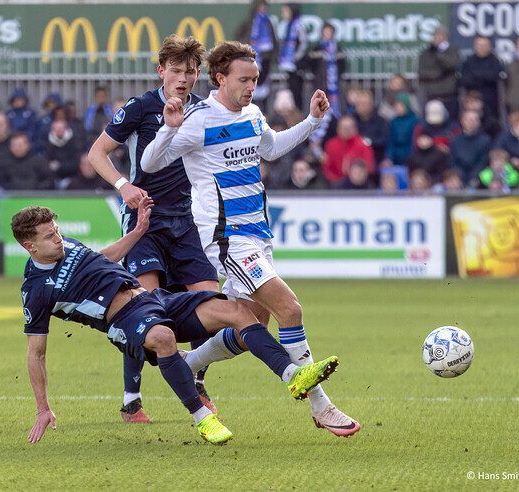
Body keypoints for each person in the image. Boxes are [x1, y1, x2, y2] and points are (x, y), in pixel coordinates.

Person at [140, 41, 360, 437]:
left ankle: (186, 365)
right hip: (226, 238)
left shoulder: (253, 113)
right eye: (244, 79)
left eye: (255, 79)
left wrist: (311, 120)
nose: (251, 87)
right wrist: (168, 130)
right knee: (289, 309)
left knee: (250, 325)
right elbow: (149, 163)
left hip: (257, 233)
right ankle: (322, 406)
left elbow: (272, 150)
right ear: (220, 78)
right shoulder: (198, 119)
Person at [13, 203, 340, 445]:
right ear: (30, 247)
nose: (58, 238)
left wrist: (138, 232)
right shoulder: (36, 292)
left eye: (56, 230)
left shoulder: (65, 244)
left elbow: (101, 257)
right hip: (123, 320)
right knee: (163, 337)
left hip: (153, 298)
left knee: (237, 312)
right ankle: (203, 417)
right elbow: (36, 353)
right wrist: (43, 408)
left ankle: (293, 376)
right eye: (49, 236)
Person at [88, 35, 220, 423]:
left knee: (211, 304)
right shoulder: (140, 108)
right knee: (144, 311)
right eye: (175, 71)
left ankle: (195, 377)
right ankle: (132, 398)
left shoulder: (203, 111)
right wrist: (123, 186)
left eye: (190, 71)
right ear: (161, 71)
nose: (183, 78)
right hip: (145, 221)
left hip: (187, 221)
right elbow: (96, 153)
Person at [236, 0, 277, 106]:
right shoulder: (250, 21)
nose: (263, 8)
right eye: (261, 6)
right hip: (251, 58)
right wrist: (246, 45)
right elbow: (238, 36)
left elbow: (273, 40)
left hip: (265, 58)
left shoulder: (268, 22)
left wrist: (273, 55)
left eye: (265, 6)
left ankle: (264, 110)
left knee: (263, 85)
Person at [417, 25, 460, 119]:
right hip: (431, 96)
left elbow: (452, 64)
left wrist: (439, 54)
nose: (438, 38)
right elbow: (421, 72)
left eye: (441, 35)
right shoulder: (425, 53)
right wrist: (438, 74)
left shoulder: (453, 51)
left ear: (446, 37)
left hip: (448, 95)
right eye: (436, 35)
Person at [459, 36, 504, 122]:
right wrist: (483, 76)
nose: (482, 47)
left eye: (484, 45)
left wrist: (475, 74)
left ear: (490, 47)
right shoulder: (468, 61)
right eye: (479, 45)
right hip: (471, 103)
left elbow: (493, 76)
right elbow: (464, 80)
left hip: (491, 104)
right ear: (474, 46)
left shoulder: (495, 61)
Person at [322, 114, 375, 185]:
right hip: (337, 184)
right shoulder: (331, 145)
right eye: (344, 128)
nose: (346, 130)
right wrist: (336, 180)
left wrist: (358, 175)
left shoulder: (363, 144)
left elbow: (369, 166)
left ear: (355, 129)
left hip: (359, 183)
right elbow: (327, 167)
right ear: (338, 129)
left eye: (349, 128)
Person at [309, 22, 346, 119]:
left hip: (334, 83)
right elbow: (312, 63)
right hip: (321, 82)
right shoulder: (318, 47)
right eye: (326, 31)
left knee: (336, 104)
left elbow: (342, 64)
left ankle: (335, 118)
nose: (327, 34)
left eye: (329, 32)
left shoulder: (337, 48)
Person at [278, 3, 308, 110]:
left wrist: (295, 58)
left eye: (285, 11)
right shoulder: (286, 25)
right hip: (286, 65)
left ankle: (298, 114)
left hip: (295, 65)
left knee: (296, 92)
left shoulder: (298, 26)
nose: (283, 14)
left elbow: (303, 44)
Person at [449, 109, 491, 187]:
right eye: (469, 120)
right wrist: (459, 177)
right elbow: (453, 162)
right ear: (462, 121)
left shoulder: (485, 140)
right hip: (459, 179)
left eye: (475, 120)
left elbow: (483, 162)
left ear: (479, 122)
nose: (471, 122)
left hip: (480, 180)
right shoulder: (454, 141)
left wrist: (475, 177)